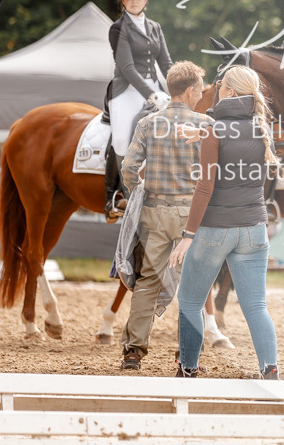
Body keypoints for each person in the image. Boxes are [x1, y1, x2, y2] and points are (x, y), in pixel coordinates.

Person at [169, 65, 279, 379]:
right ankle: (269, 369)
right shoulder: (260, 127)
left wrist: (189, 234)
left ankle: (188, 368)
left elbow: (205, 186)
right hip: (255, 229)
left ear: (229, 91)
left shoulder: (215, 130)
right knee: (256, 305)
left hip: (216, 229)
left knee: (190, 302)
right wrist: (201, 134)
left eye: (219, 85)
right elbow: (231, 137)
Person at [118, 61, 211, 371]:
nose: (201, 94)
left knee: (148, 282)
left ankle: (133, 352)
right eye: (199, 89)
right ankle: (187, 356)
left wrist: (137, 196)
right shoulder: (204, 124)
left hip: (155, 212)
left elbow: (129, 168)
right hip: (191, 215)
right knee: (192, 288)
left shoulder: (148, 124)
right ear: (187, 92)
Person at [105, 0, 173, 221]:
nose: (134, 1)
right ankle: (116, 195)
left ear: (146, 0)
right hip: (126, 89)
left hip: (155, 88)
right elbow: (127, 67)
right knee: (123, 138)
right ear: (122, 0)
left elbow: (165, 62)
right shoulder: (118, 28)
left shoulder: (155, 27)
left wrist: (180, 86)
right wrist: (153, 94)